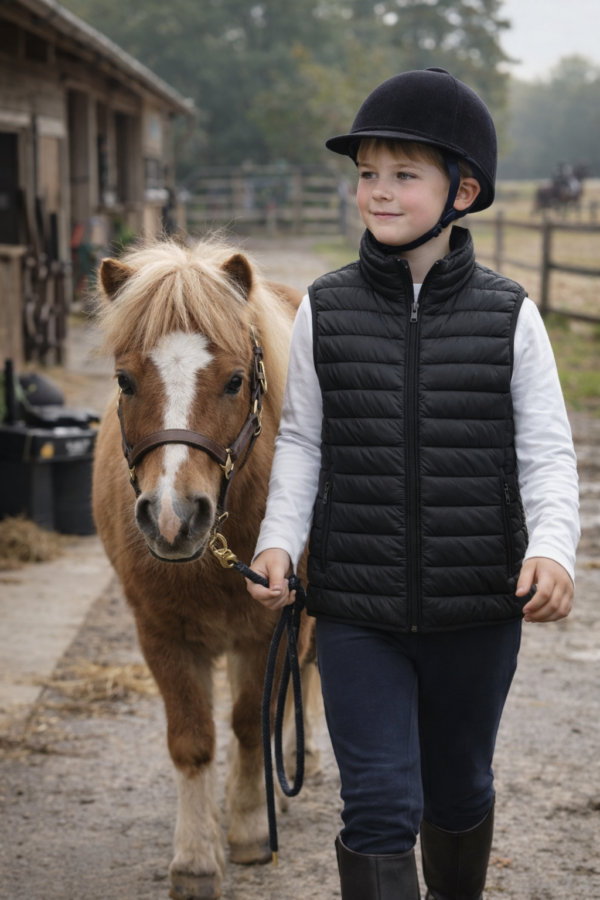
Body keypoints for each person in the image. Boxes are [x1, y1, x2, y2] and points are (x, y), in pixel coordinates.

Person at [245, 68, 580, 900]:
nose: (378, 191)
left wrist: (554, 549)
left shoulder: (512, 315)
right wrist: (279, 540)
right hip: (357, 611)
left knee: (459, 790)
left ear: (462, 189)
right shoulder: (324, 307)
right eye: (366, 174)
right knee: (380, 807)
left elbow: (545, 450)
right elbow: (302, 439)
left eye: (403, 174)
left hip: (478, 606)